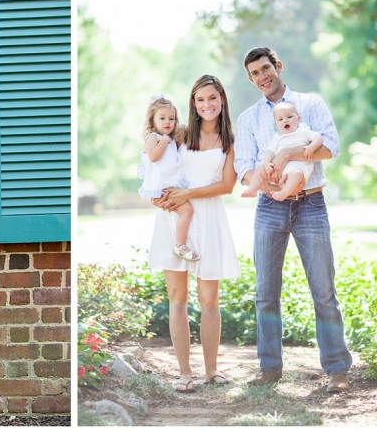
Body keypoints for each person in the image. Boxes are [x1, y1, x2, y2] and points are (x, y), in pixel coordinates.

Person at [235, 47, 352, 392]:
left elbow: (330, 146)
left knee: (323, 290)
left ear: (278, 66)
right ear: (251, 79)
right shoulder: (247, 119)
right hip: (269, 207)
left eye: (265, 68)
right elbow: (244, 166)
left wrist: (289, 152)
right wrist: (261, 182)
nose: (262, 76)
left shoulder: (310, 105)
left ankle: (337, 369)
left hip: (311, 204)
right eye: (254, 73)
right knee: (266, 292)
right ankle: (269, 369)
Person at [150, 75, 240, 393]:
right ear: (193, 103)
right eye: (200, 100)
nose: (207, 105)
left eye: (212, 98)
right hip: (175, 219)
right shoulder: (181, 134)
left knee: (210, 300)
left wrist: (188, 194)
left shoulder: (230, 140)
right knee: (177, 299)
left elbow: (227, 186)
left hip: (210, 219)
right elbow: (153, 164)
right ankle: (184, 372)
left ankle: (212, 370)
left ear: (222, 100)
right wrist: (156, 194)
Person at [139, 95, 199, 261]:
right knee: (187, 211)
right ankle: (180, 246)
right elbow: (153, 157)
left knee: (184, 212)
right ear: (152, 120)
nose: (168, 122)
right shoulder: (153, 138)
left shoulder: (170, 139)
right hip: (162, 187)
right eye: (162, 118)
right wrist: (164, 142)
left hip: (170, 185)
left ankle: (179, 244)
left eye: (171, 118)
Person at [240, 102, 322, 201]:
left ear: (298, 118)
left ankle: (284, 193)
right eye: (280, 119)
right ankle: (253, 189)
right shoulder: (278, 137)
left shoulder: (303, 132)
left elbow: (318, 138)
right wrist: (266, 164)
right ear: (276, 124)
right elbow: (269, 151)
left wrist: (312, 147)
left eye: (289, 117)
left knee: (297, 175)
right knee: (260, 170)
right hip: (278, 170)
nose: (285, 121)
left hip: (298, 167)